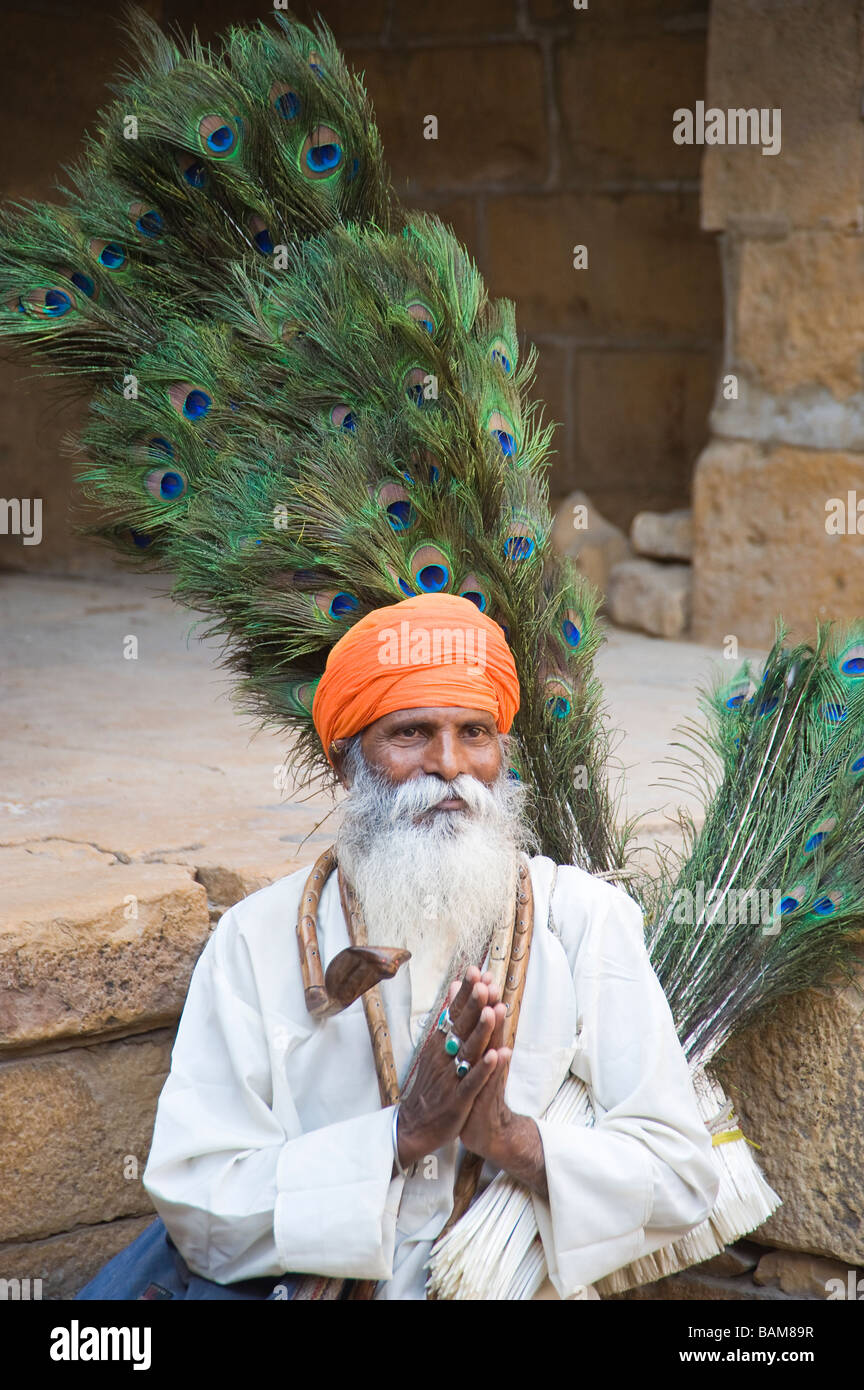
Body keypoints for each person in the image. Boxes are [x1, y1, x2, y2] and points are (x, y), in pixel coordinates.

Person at [137, 593, 719, 1301]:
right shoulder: (257, 940)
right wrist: (400, 1136)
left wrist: (513, 1139)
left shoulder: (586, 920)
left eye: (475, 732)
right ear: (345, 763)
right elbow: (198, 1203)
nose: (450, 765)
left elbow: (683, 1177)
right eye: (411, 734)